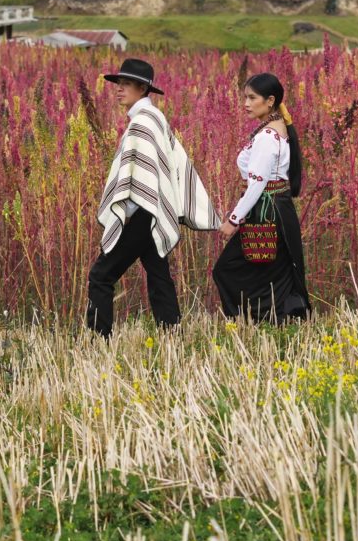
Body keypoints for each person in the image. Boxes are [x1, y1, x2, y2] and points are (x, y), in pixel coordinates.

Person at [88, 58, 220, 337]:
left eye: (125, 84)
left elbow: (141, 176)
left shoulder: (141, 123)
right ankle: (171, 333)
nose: (119, 89)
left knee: (101, 276)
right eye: (118, 84)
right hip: (155, 210)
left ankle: (98, 339)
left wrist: (129, 212)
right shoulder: (155, 117)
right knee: (158, 272)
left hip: (141, 210)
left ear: (142, 87)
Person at [212, 72, 309, 322]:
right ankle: (278, 318)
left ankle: (249, 320)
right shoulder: (277, 129)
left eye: (251, 98)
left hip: (266, 211)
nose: (245, 103)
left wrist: (233, 220)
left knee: (227, 269)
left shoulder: (268, 137)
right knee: (273, 269)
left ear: (270, 101)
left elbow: (257, 183)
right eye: (244, 97)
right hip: (278, 209)